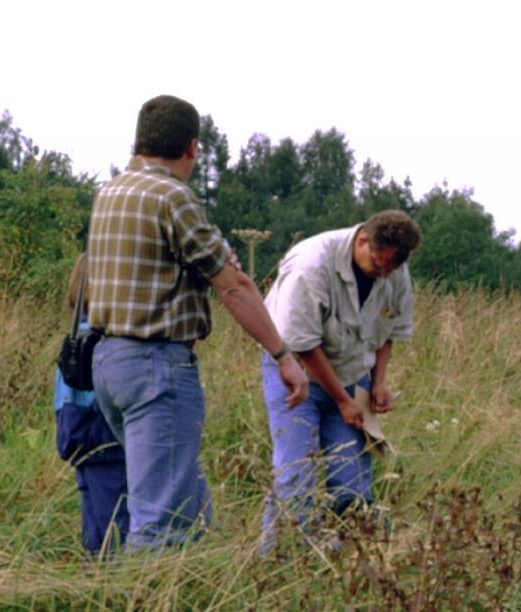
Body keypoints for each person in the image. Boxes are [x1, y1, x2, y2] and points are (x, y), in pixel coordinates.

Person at [87, 95, 309, 551]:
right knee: (160, 520)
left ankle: (203, 579)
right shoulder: (172, 197)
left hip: (108, 363)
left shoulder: (110, 192)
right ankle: (144, 598)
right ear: (193, 147)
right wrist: (283, 355)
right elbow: (233, 287)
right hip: (156, 366)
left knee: (183, 499)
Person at [259, 210, 421, 550]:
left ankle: (348, 559)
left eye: (391, 268)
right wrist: (342, 401)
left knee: (353, 480)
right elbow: (303, 344)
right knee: (295, 472)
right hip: (295, 376)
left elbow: (388, 330)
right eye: (379, 265)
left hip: (352, 376)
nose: (384, 274)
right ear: (362, 240)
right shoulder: (313, 264)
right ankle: (280, 559)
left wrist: (377, 383)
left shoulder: (395, 271)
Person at [53, 253, 129, 556]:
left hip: (77, 438)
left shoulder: (75, 338)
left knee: (95, 524)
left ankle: (94, 582)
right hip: (104, 442)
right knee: (116, 527)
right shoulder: (103, 343)